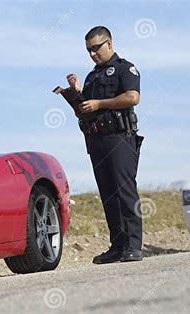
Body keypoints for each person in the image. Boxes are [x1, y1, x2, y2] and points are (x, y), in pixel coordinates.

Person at [66, 26, 144, 264]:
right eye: (88, 50)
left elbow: (133, 97)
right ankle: (118, 246)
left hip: (120, 138)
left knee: (125, 191)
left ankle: (133, 246)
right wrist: (77, 92)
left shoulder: (124, 68)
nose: (92, 54)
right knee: (108, 194)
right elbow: (87, 107)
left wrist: (99, 104)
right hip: (97, 139)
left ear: (109, 44)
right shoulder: (92, 76)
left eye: (96, 48)